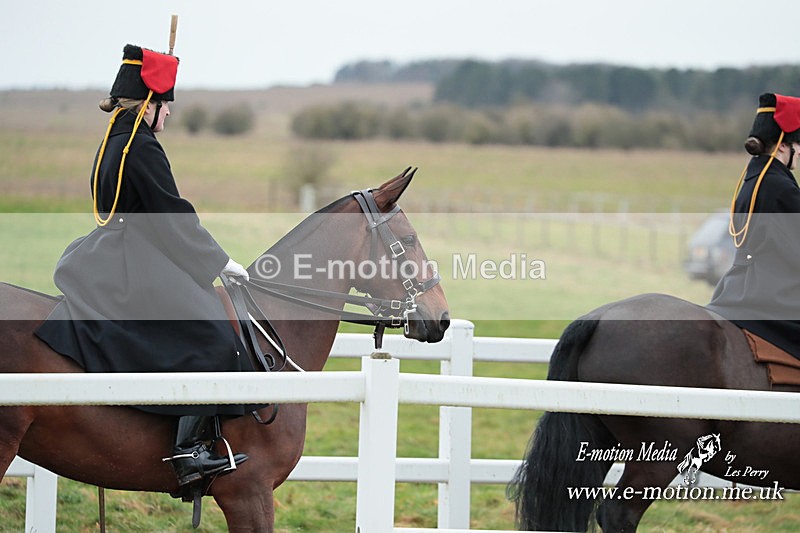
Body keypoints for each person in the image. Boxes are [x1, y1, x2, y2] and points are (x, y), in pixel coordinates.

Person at [35, 44, 255, 488]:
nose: (169, 113)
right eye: (164, 103)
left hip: (109, 251)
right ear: (147, 105)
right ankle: (188, 452)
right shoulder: (142, 146)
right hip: (135, 259)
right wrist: (219, 260)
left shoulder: (114, 140)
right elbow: (170, 214)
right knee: (214, 338)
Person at [706, 92, 800, 358]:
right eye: (798, 144)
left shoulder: (753, 178)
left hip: (738, 288)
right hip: (773, 297)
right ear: (783, 145)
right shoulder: (781, 188)